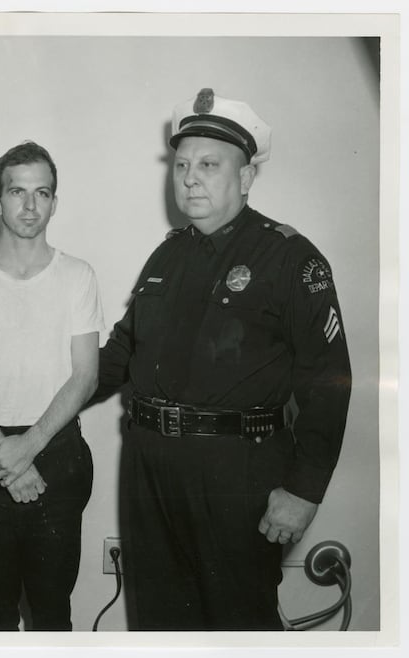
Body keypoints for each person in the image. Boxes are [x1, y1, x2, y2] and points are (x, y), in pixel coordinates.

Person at [96, 89, 352, 630]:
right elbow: (121, 352)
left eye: (209, 165)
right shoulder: (167, 253)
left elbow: (329, 383)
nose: (190, 177)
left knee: (236, 622)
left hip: (237, 473)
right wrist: (45, 393)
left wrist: (304, 490)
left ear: (246, 178)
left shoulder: (289, 257)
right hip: (149, 468)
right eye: (182, 164)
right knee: (158, 622)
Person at [0, 141, 103, 630]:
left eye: (42, 193)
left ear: (54, 202)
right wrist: (6, 455)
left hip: (54, 449)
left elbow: (86, 374)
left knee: (53, 612)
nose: (30, 206)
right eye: (17, 192)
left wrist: (28, 447)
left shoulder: (78, 276)